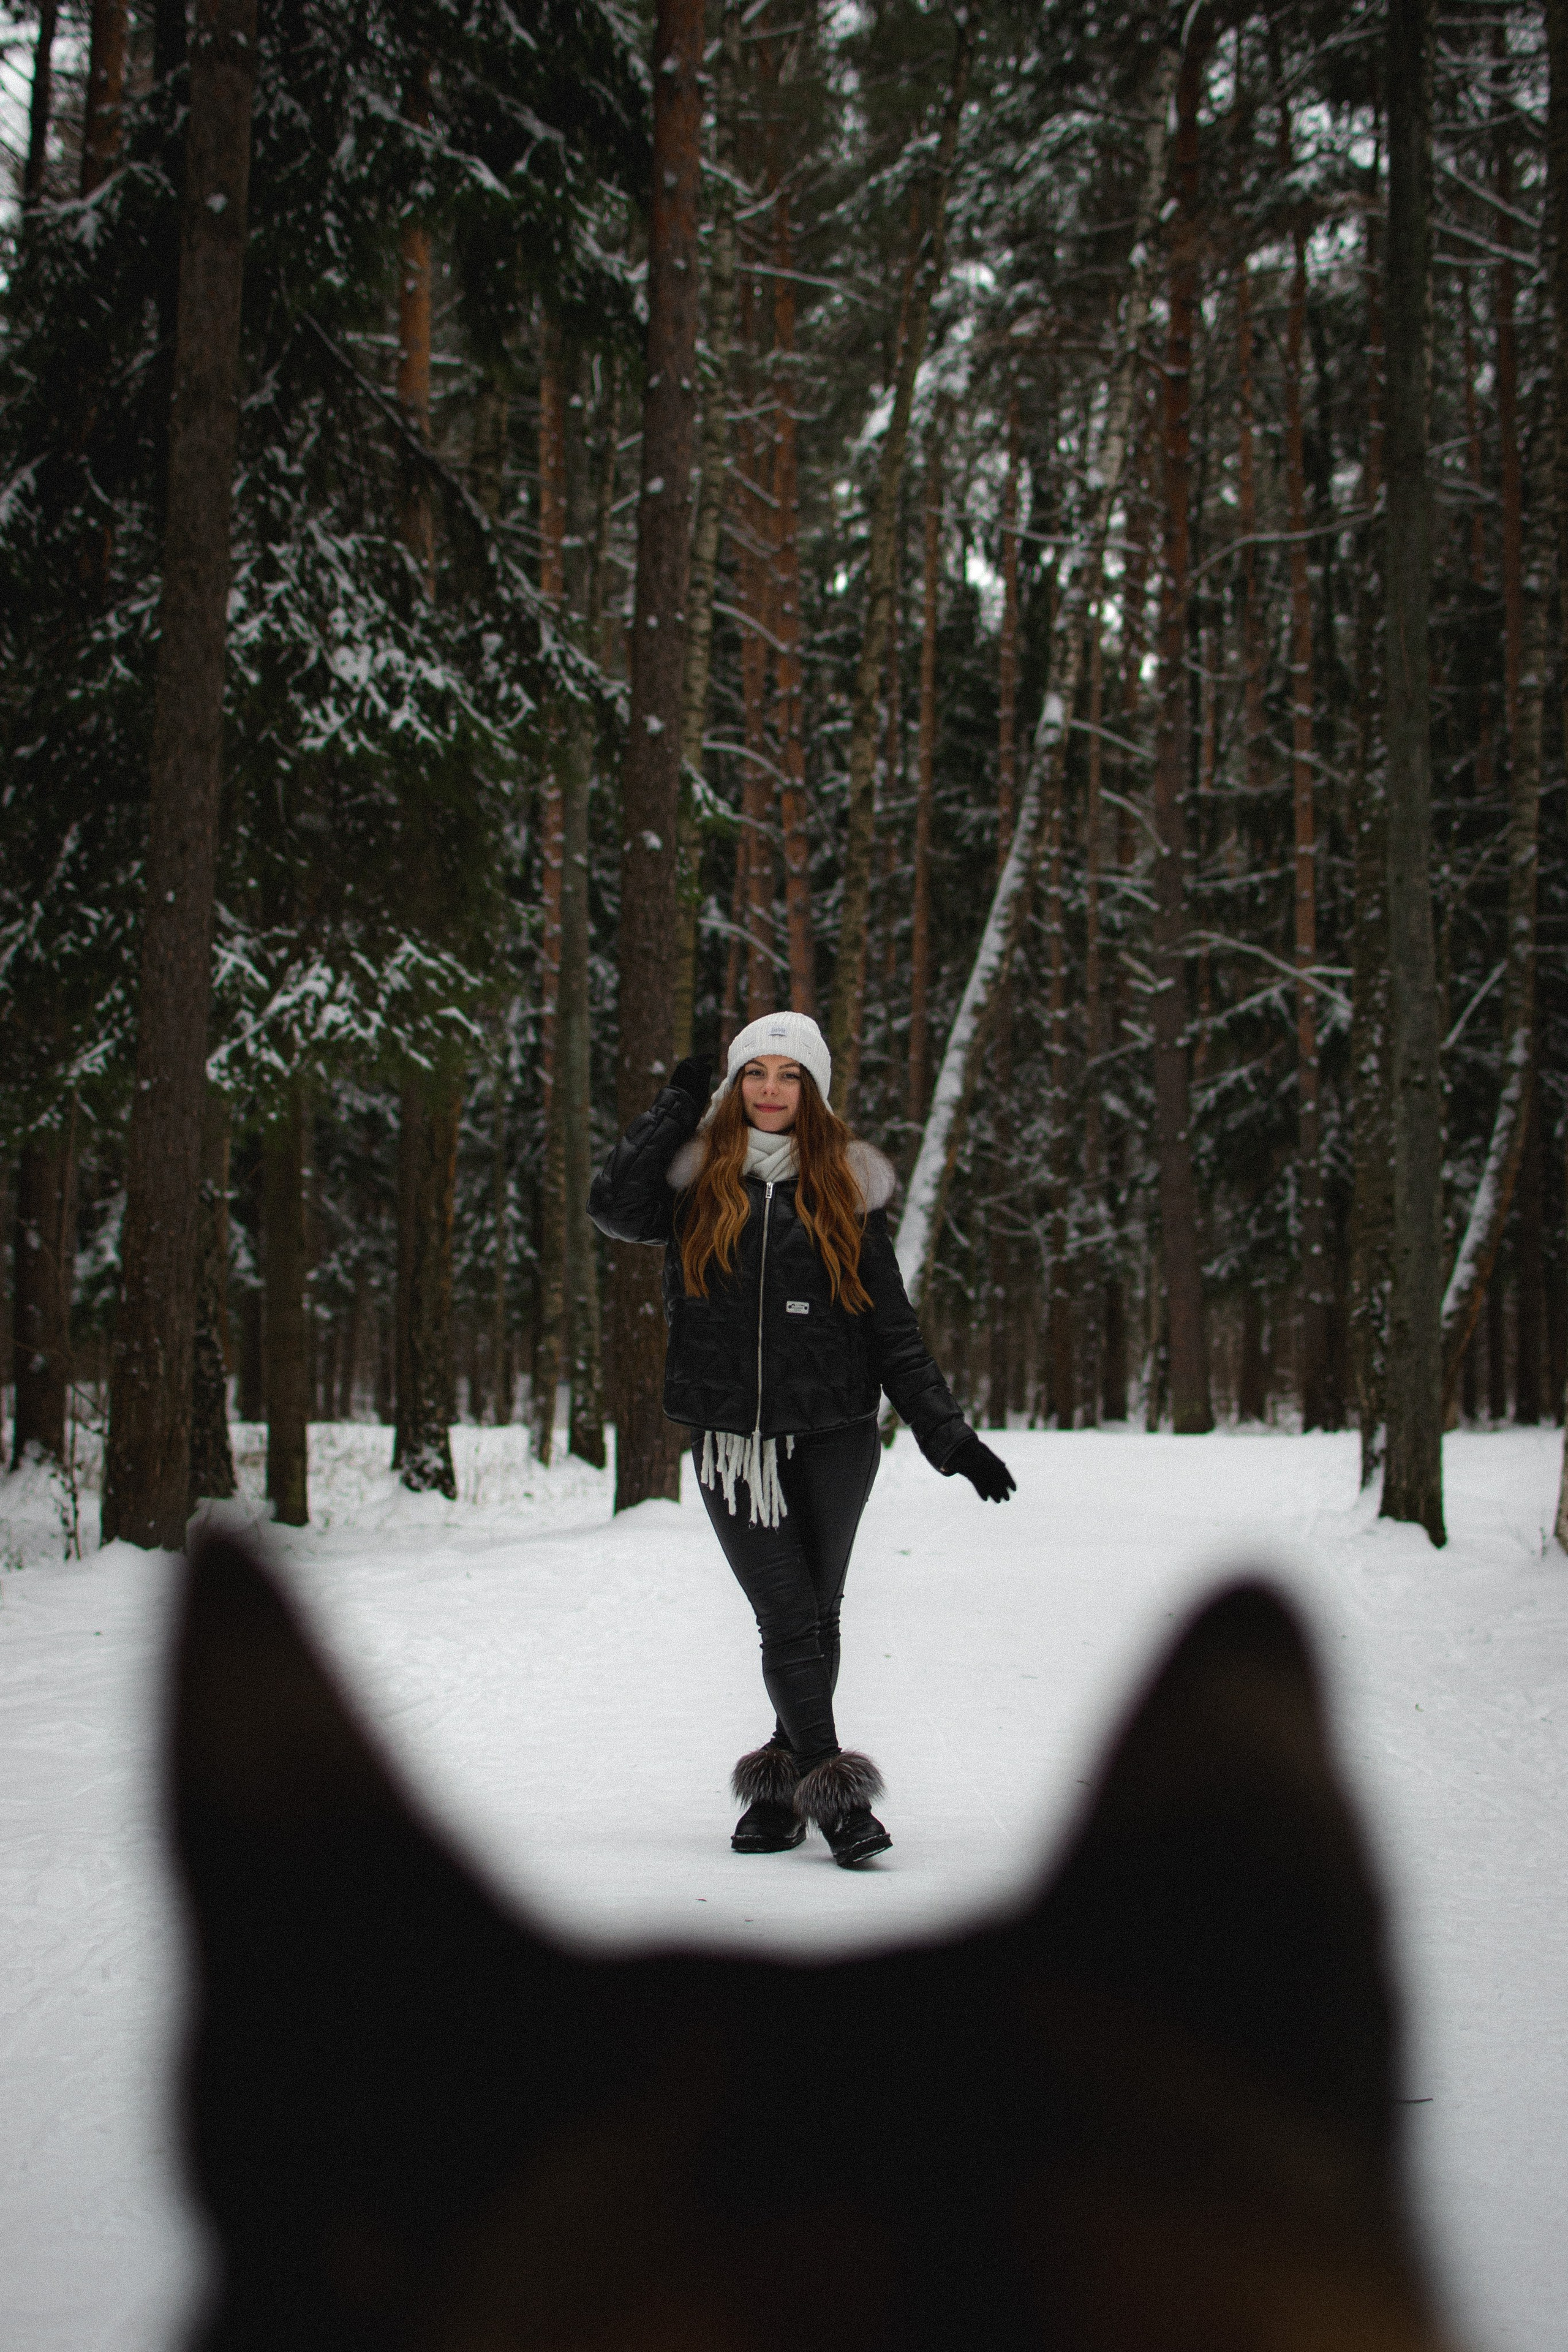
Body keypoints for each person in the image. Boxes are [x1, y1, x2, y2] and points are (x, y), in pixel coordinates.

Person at [588, 1010, 1016, 1868]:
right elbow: (611, 1207)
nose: (772, 1090)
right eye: (756, 1073)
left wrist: (950, 1435)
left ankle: (782, 1784)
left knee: (817, 1615)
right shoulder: (692, 1182)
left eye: (789, 1075)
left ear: (812, 1090)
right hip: (731, 1447)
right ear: (736, 1085)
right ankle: (835, 1790)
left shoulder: (847, 1190)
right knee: (784, 1612)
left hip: (835, 1436)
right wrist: (675, 1104)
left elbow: (892, 1332)